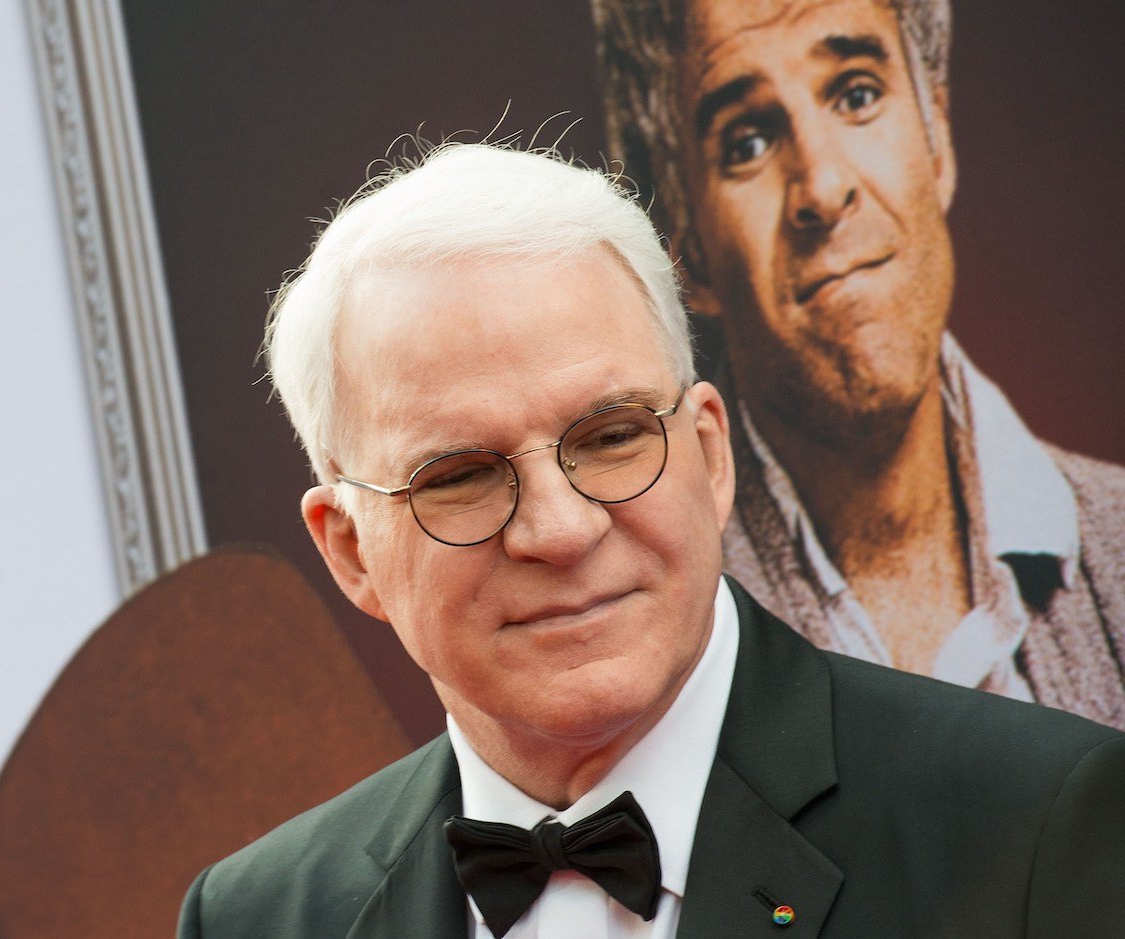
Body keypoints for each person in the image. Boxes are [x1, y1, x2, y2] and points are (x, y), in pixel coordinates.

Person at [177, 143, 1124, 937]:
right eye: (460, 477)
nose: (559, 528)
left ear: (710, 457)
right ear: (349, 549)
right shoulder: (261, 917)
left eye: (612, 436)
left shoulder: (1036, 825)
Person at [591, 0, 1125, 729]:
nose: (822, 186)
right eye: (747, 141)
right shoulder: (640, 653)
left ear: (937, 141)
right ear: (687, 252)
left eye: (856, 94)